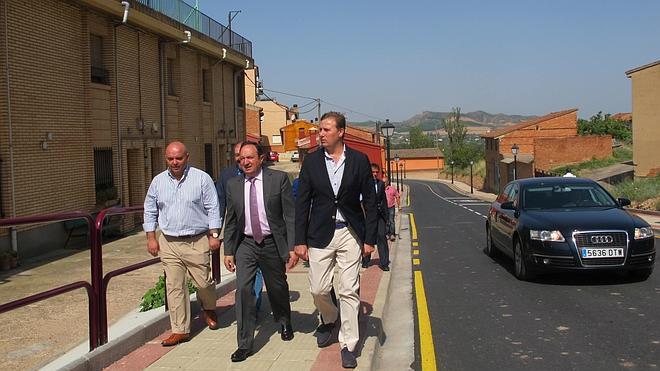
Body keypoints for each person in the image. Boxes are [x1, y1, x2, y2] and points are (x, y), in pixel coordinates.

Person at [294, 111, 377, 369]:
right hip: (319, 233)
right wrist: (299, 241)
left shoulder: (360, 161)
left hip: (350, 232)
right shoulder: (311, 162)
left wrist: (370, 238)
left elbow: (371, 202)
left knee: (349, 289)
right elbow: (302, 203)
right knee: (318, 288)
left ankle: (348, 345)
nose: (320, 134)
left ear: (341, 132)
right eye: (320, 130)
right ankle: (329, 318)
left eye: (326, 130)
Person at [223, 141, 299, 362]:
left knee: (277, 287)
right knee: (244, 290)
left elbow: (289, 216)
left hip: (271, 243)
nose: (245, 162)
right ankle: (245, 343)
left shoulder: (278, 180)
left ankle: (284, 320)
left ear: (261, 158)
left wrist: (292, 247)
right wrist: (229, 250)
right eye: (241, 159)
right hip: (246, 244)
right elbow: (231, 220)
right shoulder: (233, 184)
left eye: (249, 158)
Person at [143, 141, 221, 347]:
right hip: (169, 242)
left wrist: (214, 234)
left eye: (178, 158)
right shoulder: (158, 182)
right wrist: (151, 237)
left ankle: (209, 307)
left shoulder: (201, 179)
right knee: (175, 287)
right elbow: (150, 210)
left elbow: (213, 207)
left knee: (203, 283)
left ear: (187, 157)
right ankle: (180, 330)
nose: (175, 162)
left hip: (197, 240)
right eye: (170, 158)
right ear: (165, 159)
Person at [217, 142, 264, 312]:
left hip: (263, 235)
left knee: (260, 273)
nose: (241, 159)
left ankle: (254, 303)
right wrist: (216, 233)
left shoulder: (266, 175)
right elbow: (221, 205)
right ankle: (248, 306)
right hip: (240, 235)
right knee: (244, 275)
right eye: (238, 155)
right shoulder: (227, 176)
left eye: (246, 155)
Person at [362, 163, 390, 271]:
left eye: (376, 172)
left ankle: (384, 263)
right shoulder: (363, 184)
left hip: (379, 215)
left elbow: (384, 200)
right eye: (372, 172)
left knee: (382, 236)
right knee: (367, 237)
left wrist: (386, 216)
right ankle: (365, 260)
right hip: (367, 216)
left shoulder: (381, 184)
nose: (374, 174)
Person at [383, 175, 400, 241]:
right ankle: (387, 234)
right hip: (384, 208)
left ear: (388, 182)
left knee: (391, 221)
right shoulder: (380, 189)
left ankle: (392, 234)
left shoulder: (392, 189)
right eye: (383, 182)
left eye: (385, 182)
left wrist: (399, 206)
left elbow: (397, 196)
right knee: (386, 221)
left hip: (391, 207)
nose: (384, 183)